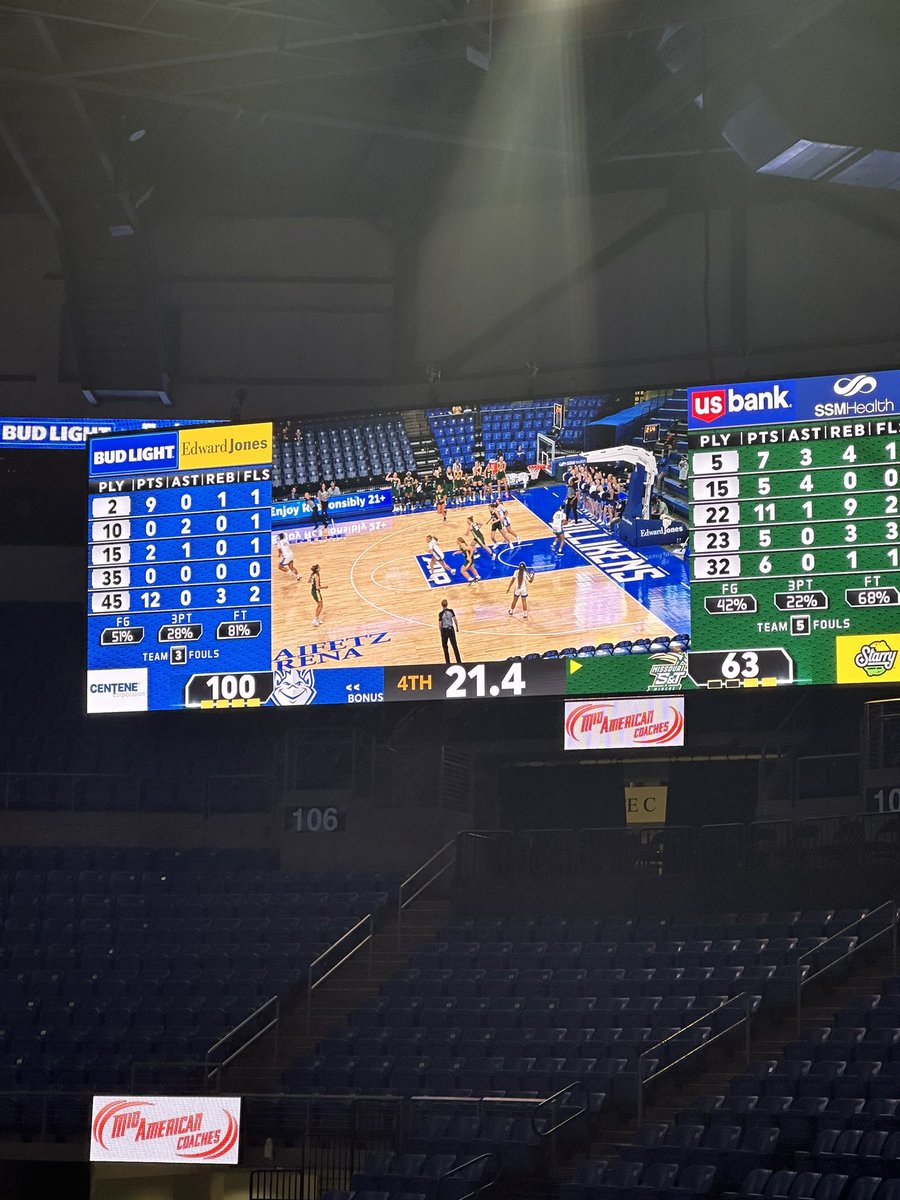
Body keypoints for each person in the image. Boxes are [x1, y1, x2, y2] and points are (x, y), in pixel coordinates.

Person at [438, 598, 461, 664]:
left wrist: (441, 632)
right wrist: (457, 627)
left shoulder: (440, 614)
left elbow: (440, 624)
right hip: (451, 630)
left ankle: (447, 662)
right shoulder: (451, 611)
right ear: (447, 604)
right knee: (454, 646)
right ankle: (459, 661)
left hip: (444, 631)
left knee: (445, 647)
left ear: (442, 605)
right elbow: (455, 620)